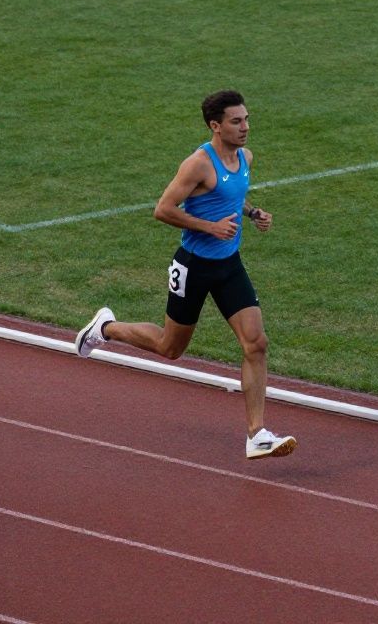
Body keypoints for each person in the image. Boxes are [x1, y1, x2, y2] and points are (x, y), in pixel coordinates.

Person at [75, 89, 296, 460]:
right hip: (193, 266)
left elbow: (231, 196)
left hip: (228, 265)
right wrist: (210, 227)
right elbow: (162, 209)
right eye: (236, 121)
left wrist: (252, 213)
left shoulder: (245, 157)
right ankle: (105, 329)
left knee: (256, 343)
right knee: (170, 348)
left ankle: (256, 434)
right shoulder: (197, 164)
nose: (245, 127)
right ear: (216, 125)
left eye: (247, 119)